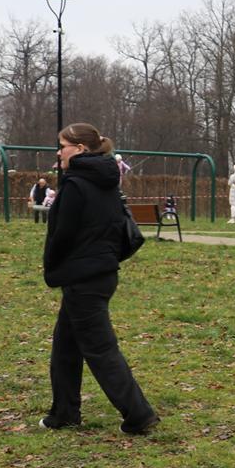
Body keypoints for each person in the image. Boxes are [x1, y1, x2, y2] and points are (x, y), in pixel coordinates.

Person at [41, 123, 158, 436]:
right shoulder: (106, 180)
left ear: (79, 149)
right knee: (65, 347)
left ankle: (139, 414)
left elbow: (62, 234)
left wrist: (52, 265)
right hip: (100, 273)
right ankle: (64, 413)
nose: (58, 151)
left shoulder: (77, 185)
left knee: (100, 349)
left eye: (63, 145)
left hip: (84, 278)